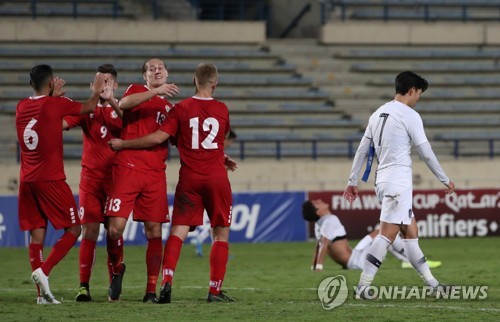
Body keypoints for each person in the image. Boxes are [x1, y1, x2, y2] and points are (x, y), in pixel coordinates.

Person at [108, 63, 236, 303]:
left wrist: (123, 143)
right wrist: (221, 157)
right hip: (216, 178)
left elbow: (161, 137)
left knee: (178, 232)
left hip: (189, 179)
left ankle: (166, 282)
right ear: (215, 84)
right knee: (220, 234)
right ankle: (215, 291)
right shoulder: (222, 109)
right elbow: (215, 140)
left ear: (193, 81)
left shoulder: (180, 108)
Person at [343, 71, 455, 299]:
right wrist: (444, 178)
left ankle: (433, 285)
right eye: (419, 95)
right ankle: (363, 287)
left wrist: (352, 181)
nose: (418, 100)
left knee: (410, 232)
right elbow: (425, 151)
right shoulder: (410, 115)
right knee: (386, 236)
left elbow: (362, 150)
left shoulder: (377, 114)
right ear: (412, 90)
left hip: (383, 182)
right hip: (398, 184)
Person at [16, 64, 109, 304]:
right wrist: (97, 90)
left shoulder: (21, 106)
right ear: (50, 85)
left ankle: (42, 296)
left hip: (27, 180)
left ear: (31, 85)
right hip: (50, 179)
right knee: (74, 229)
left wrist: (51, 96)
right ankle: (44, 271)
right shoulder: (56, 104)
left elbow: (41, 116)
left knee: (37, 235)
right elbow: (88, 107)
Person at [104, 58, 179, 303]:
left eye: (160, 68)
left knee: (154, 231)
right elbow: (123, 104)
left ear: (167, 72)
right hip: (127, 169)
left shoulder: (171, 109)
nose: (156, 71)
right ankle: (117, 268)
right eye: (151, 68)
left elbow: (165, 139)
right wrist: (155, 91)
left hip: (155, 174)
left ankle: (150, 291)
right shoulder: (136, 90)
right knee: (114, 229)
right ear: (145, 75)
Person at [62, 64, 123, 302]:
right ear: (91, 86)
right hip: (91, 181)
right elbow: (61, 124)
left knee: (114, 233)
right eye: (97, 82)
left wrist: (113, 102)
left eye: (105, 82)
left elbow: (133, 127)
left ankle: (113, 284)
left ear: (115, 86)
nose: (101, 86)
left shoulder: (123, 110)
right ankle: (83, 287)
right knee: (89, 231)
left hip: (118, 181)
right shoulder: (86, 110)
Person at [302, 199, 442, 271]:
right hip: (356, 261)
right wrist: (319, 267)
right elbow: (324, 243)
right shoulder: (330, 220)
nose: (319, 200)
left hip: (354, 257)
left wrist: (313, 266)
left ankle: (410, 261)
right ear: (318, 211)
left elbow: (319, 245)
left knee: (383, 233)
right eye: (316, 203)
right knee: (386, 234)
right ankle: (414, 261)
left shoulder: (319, 224)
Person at [192, 128, 237, 257]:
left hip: (200, 184)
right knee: (219, 221)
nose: (229, 145)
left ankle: (216, 249)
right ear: (226, 138)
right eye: (230, 141)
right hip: (214, 187)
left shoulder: (209, 147)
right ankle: (217, 249)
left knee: (214, 221)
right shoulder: (216, 148)